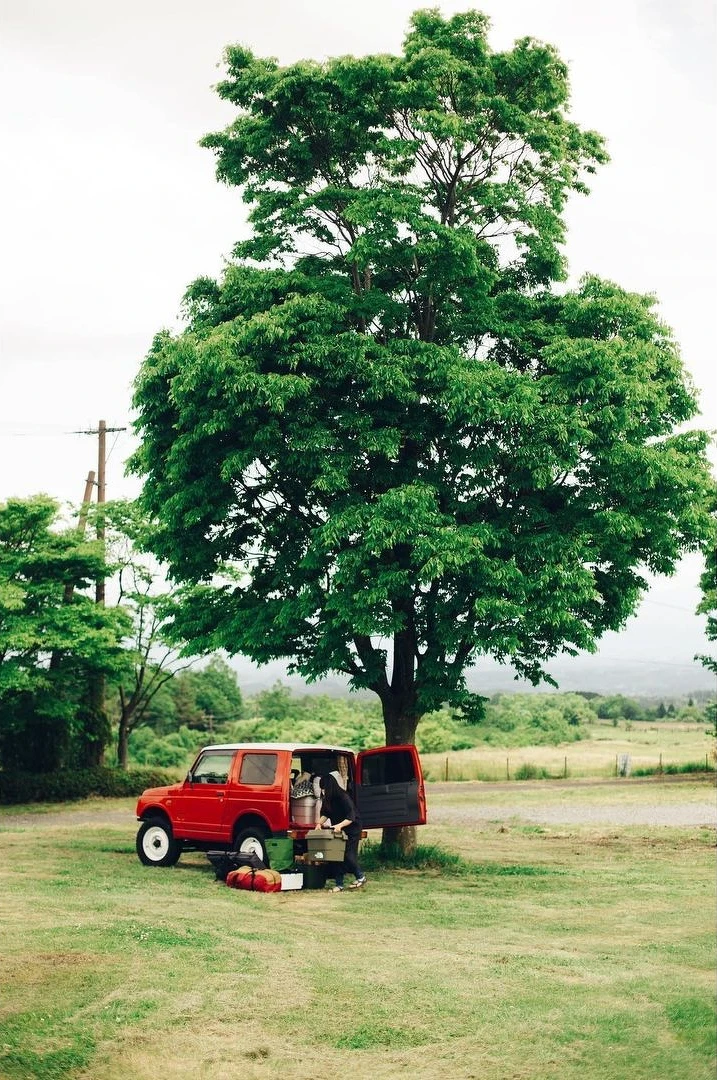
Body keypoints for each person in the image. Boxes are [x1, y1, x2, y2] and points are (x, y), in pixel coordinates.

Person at [318, 773, 366, 892]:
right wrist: (319, 824)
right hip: (337, 828)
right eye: (321, 789)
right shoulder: (327, 799)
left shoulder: (343, 797)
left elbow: (351, 816)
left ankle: (360, 876)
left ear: (329, 787)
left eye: (324, 789)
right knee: (335, 854)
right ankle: (339, 884)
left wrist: (340, 825)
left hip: (352, 827)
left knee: (347, 855)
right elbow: (325, 813)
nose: (323, 791)